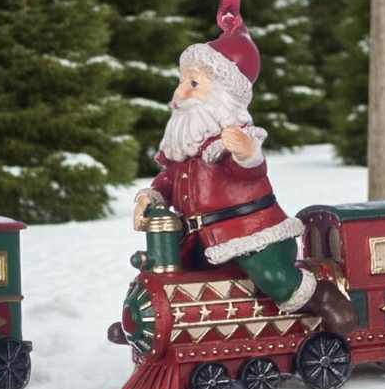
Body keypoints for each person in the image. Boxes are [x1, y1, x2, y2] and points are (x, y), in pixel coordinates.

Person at [126, 25, 357, 335]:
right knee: (167, 272)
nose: (180, 94)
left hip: (252, 234)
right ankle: (154, 324)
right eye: (181, 82)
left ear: (222, 95)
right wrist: (151, 196)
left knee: (272, 276)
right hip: (200, 238)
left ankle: (321, 295)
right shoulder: (188, 145)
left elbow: (249, 173)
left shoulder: (234, 140)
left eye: (193, 84)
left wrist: (247, 153)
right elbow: (170, 181)